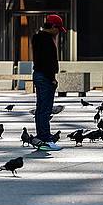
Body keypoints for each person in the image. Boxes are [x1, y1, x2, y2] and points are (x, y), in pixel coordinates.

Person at [31, 14, 66, 151]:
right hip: (44, 77)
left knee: (41, 108)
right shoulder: (45, 40)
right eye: (58, 29)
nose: (58, 32)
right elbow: (46, 61)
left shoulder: (38, 37)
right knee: (45, 108)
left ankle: (43, 136)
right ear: (52, 26)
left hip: (40, 75)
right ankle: (45, 138)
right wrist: (52, 78)